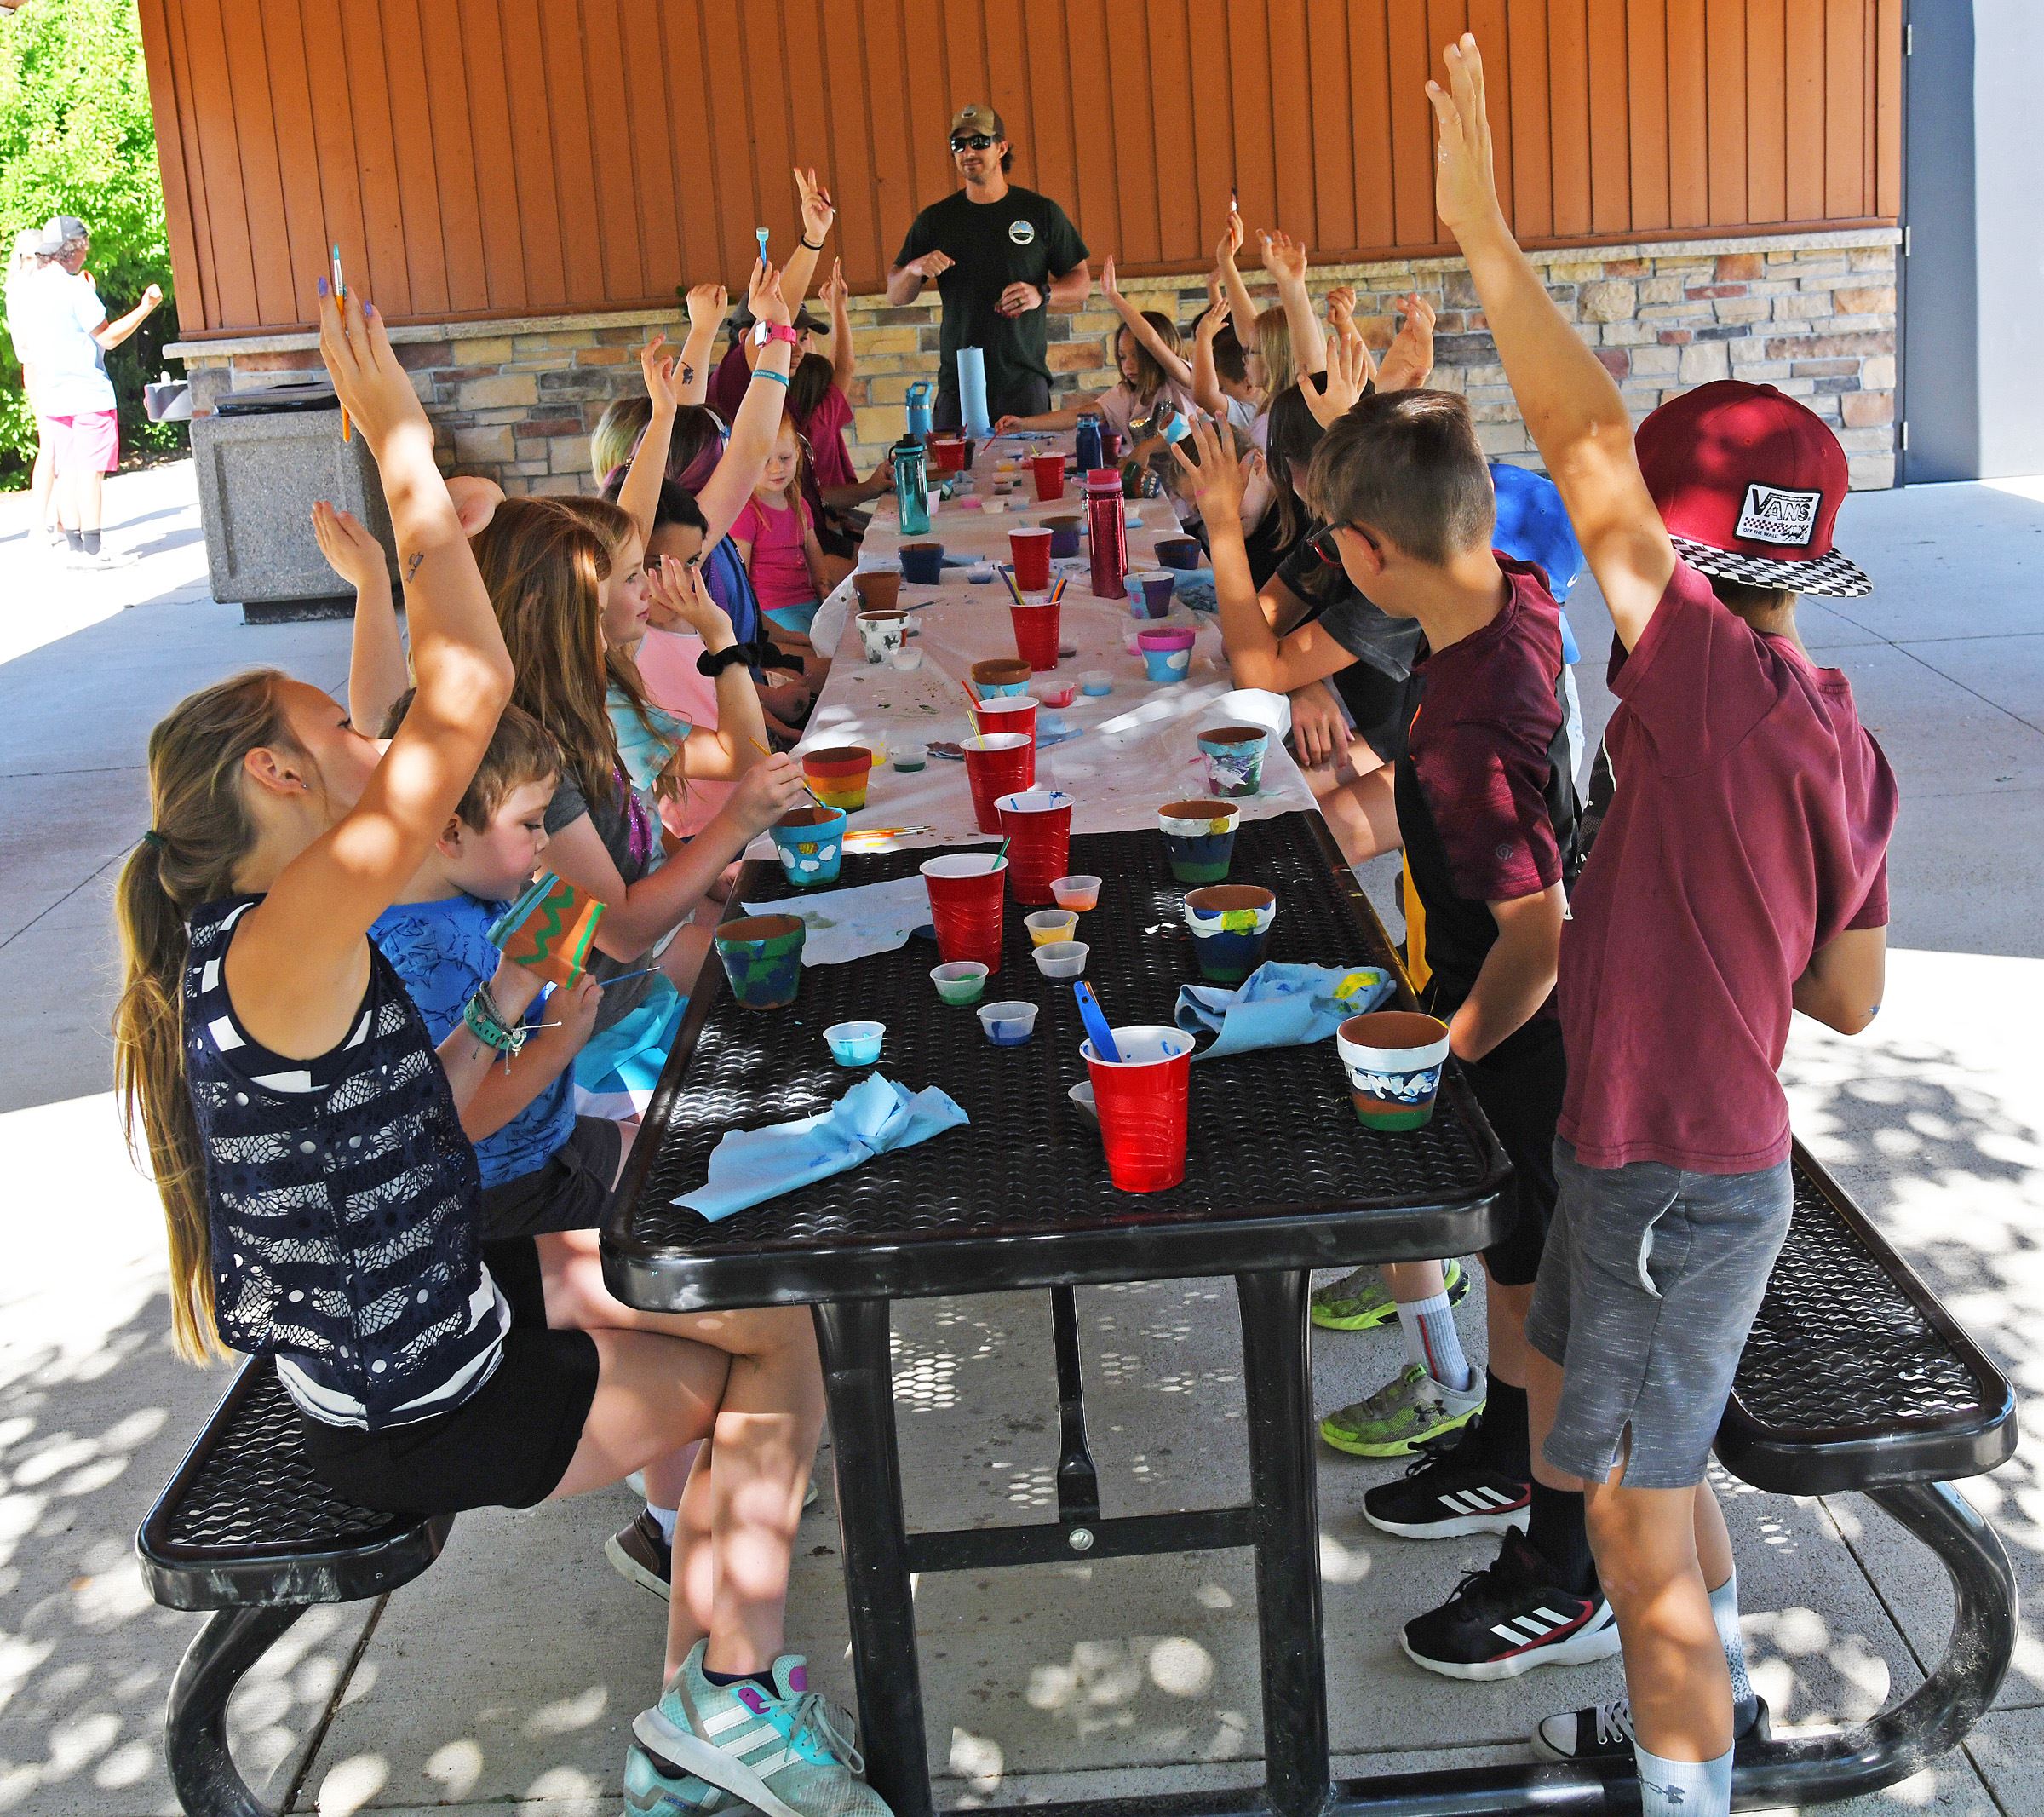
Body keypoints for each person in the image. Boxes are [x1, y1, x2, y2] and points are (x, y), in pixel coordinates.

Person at [111, 278, 887, 1817]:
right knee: (774, 1361)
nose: (377, 741)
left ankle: (709, 1722)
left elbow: (426, 1115)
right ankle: (719, 1712)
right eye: (343, 739)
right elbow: (462, 693)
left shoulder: (271, 942)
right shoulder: (284, 937)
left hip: (434, 1309)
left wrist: (515, 1016)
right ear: (277, 776)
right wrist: (402, 446)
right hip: (421, 1399)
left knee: (757, 1295)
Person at [1428, 36, 1895, 1816]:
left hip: (1665, 1178)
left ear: (1686, 571)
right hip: (1682, 1158)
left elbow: (1582, 446)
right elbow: (1849, 993)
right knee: (1632, 1465)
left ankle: (1692, 1775)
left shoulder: (1701, 685)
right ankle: (1722, 1704)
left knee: (1627, 1525)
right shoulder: (1831, 728)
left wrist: (1485, 236)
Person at [886, 105, 1092, 428]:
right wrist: (914, 269)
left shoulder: (1040, 212)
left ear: (1001, 147)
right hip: (958, 385)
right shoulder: (936, 219)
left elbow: (1081, 282)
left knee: (1031, 461)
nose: (969, 152)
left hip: (1024, 382)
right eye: (959, 145)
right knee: (954, 462)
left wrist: (1041, 294)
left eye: (980, 142)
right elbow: (896, 295)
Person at [28, 214, 163, 570]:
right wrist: (146, 307)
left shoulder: (34, 288)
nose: (87, 251)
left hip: (54, 394)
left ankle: (75, 548)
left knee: (67, 470)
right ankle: (93, 549)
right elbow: (108, 337)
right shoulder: (75, 289)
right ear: (72, 249)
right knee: (90, 471)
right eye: (84, 245)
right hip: (88, 393)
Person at [994, 257, 1195, 441]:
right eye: (1122, 357)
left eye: (1136, 355)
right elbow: (1077, 415)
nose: (1128, 365)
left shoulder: (1179, 380)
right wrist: (1024, 424)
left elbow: (1152, 341)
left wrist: (1115, 298)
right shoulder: (1126, 394)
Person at [733, 417, 830, 650]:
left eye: (784, 458)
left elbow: (816, 560)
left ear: (797, 454)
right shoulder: (746, 511)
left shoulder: (799, 504)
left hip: (809, 602)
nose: (776, 468)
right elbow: (739, 576)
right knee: (820, 650)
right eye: (765, 461)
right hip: (772, 611)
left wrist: (826, 590)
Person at [5, 228, 60, 553]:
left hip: (44, 366)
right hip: (41, 367)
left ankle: (62, 518)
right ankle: (39, 524)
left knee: (59, 442)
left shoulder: (23, 285)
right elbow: (29, 340)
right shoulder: (25, 288)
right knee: (52, 443)